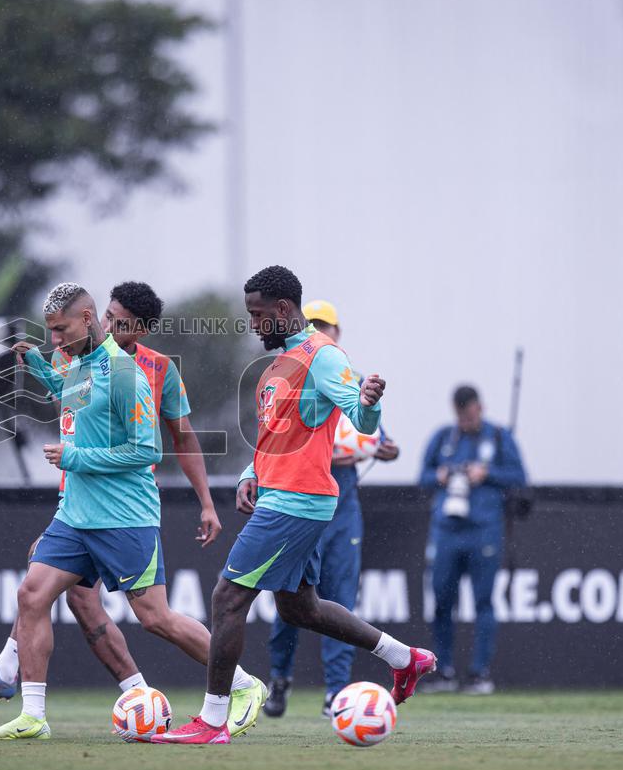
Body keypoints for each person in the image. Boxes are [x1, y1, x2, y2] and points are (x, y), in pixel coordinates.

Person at [153, 265, 435, 745]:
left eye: (258, 315)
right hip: (282, 494)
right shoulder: (278, 363)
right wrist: (249, 474)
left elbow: (362, 421)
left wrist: (369, 402)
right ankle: (404, 658)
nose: (253, 324)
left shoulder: (323, 356)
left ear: (283, 310)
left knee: (227, 598)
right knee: (300, 609)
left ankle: (213, 721)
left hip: (298, 500)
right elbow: (273, 435)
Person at [0, 283, 262, 741]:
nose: (54, 339)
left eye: (60, 330)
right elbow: (72, 400)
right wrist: (37, 367)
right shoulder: (79, 363)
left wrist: (76, 459)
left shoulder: (125, 372)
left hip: (125, 517)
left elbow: (145, 449)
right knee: (32, 595)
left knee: (156, 619)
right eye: (49, 332)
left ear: (87, 320)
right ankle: (33, 716)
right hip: (75, 516)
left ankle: (245, 685)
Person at [263, 299, 401, 720]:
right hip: (298, 492)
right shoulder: (291, 373)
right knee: (290, 599)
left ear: (338, 333)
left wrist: (385, 449)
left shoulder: (349, 378)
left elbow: (372, 432)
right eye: (315, 324)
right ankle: (280, 678)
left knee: (339, 596)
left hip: (341, 501)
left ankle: (336, 692)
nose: (322, 331)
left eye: (328, 326)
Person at [420, 385, 527, 694]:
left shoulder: (498, 437)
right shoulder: (444, 438)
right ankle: (445, 672)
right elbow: (423, 477)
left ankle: (480, 673)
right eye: (460, 416)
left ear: (480, 407)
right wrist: (439, 476)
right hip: (447, 532)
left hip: (484, 531)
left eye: (469, 414)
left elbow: (519, 477)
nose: (465, 420)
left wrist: (487, 473)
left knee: (483, 602)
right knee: (441, 601)